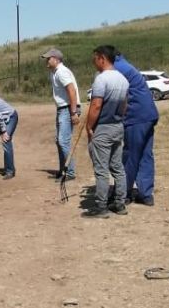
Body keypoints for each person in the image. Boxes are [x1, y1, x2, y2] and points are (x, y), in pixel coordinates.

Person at [83, 45, 129, 218]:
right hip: (118, 126)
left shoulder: (102, 80)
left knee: (101, 169)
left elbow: (96, 106)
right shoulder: (123, 80)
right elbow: (125, 105)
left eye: (95, 58)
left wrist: (89, 126)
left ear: (102, 58)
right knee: (117, 167)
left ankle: (101, 207)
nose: (94, 62)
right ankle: (120, 203)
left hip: (103, 127)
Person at [113, 51, 158, 206]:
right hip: (148, 115)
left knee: (131, 154)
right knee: (145, 154)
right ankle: (146, 194)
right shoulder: (127, 66)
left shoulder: (117, 68)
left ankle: (123, 193)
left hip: (136, 116)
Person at [41, 48, 80, 180]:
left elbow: (71, 91)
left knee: (63, 141)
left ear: (56, 59)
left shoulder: (62, 72)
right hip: (62, 108)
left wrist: (73, 112)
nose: (46, 60)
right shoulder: (55, 72)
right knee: (60, 141)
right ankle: (63, 169)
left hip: (67, 108)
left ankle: (70, 172)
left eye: (49, 58)